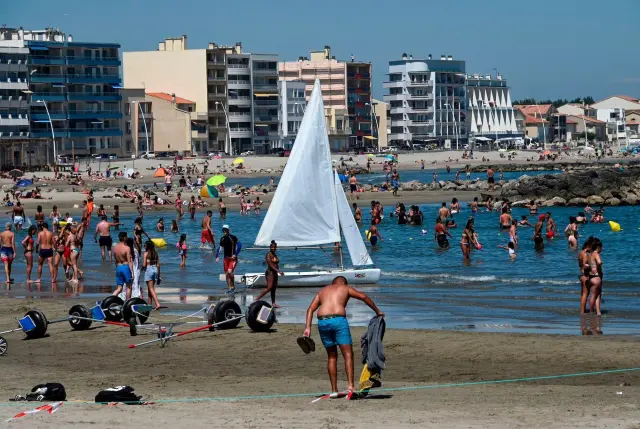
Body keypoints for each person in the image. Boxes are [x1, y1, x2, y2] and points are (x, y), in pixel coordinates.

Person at [302, 276, 384, 397]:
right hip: (338, 321)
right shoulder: (345, 288)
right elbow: (363, 297)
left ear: (332, 283)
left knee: (331, 356)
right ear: (344, 282)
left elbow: (310, 310)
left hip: (322, 322)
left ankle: (334, 390)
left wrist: (307, 327)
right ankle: (350, 387)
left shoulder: (323, 291)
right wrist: (377, 311)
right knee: (348, 354)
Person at [256, 240, 284, 307]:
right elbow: (271, 265)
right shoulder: (268, 255)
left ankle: (273, 303)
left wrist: (277, 271)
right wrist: (278, 271)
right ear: (270, 247)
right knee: (269, 287)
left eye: (275, 247)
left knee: (274, 288)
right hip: (270, 273)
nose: (274, 248)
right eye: (272, 247)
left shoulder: (275, 255)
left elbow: (276, 264)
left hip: (275, 273)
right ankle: (257, 299)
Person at [216, 225, 241, 293]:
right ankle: (230, 289)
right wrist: (217, 256)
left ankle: (233, 287)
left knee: (230, 272)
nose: (224, 231)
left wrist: (235, 254)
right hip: (226, 259)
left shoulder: (233, 237)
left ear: (228, 230)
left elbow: (239, 246)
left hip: (233, 259)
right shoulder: (222, 239)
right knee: (227, 274)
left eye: (226, 229)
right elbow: (220, 248)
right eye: (223, 230)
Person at [112, 232, 134, 301]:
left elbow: (115, 260)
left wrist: (117, 268)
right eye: (126, 237)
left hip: (118, 267)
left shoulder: (115, 247)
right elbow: (129, 261)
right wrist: (132, 272)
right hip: (125, 267)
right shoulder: (127, 248)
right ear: (124, 238)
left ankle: (109, 299)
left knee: (119, 288)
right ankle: (127, 303)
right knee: (129, 287)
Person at [142, 240, 162, 310]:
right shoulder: (156, 253)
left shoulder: (146, 253)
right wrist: (159, 276)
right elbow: (158, 265)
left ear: (147, 246)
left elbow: (144, 265)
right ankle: (149, 305)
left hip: (149, 270)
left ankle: (157, 303)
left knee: (151, 288)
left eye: (145, 245)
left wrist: (142, 268)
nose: (144, 246)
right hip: (155, 269)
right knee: (150, 288)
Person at [578, 236, 594, 314]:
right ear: (589, 246)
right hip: (584, 275)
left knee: (583, 294)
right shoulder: (585, 254)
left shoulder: (581, 252)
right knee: (585, 294)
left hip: (581, 274)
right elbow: (584, 265)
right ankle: (582, 312)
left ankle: (583, 310)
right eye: (592, 247)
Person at [587, 238, 603, 316]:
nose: (602, 249)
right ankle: (592, 311)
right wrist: (598, 266)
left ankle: (597, 312)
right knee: (596, 295)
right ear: (598, 247)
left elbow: (587, 265)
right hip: (596, 277)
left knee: (594, 295)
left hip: (591, 277)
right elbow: (600, 262)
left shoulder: (589, 254)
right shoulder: (596, 254)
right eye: (601, 247)